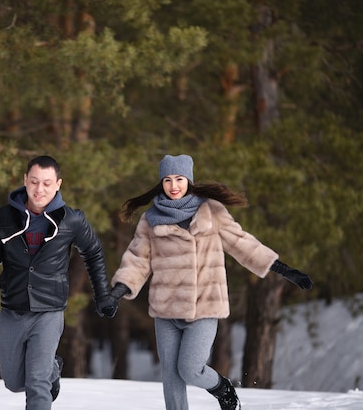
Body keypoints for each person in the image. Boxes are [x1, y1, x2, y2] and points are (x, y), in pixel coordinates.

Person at [107, 154, 313, 410]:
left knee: (190, 369)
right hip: (166, 309)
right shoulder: (150, 219)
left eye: (180, 179)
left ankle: (222, 388)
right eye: (168, 180)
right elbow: (138, 259)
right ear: (161, 182)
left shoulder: (211, 211)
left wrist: (283, 269)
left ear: (189, 180)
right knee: (171, 379)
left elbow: (243, 243)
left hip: (204, 307)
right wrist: (118, 291)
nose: (174, 186)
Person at [0, 155, 118, 410]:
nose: (40, 189)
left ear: (58, 184)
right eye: (35, 182)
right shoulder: (4, 218)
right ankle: (53, 367)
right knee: (14, 382)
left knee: (37, 384)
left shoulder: (71, 220)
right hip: (12, 310)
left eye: (47, 183)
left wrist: (103, 294)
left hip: (49, 312)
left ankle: (45, 370)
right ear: (25, 180)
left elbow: (93, 252)